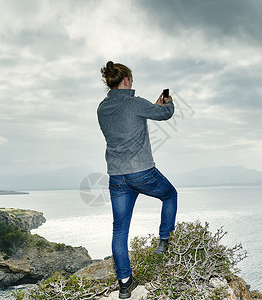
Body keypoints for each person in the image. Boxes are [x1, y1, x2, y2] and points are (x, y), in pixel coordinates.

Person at [97, 61, 178, 299]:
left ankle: (125, 284)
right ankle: (163, 241)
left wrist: (150, 106)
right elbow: (164, 114)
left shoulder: (102, 108)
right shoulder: (135, 103)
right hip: (142, 171)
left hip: (117, 176)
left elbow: (128, 121)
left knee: (119, 230)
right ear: (126, 80)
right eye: (131, 78)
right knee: (170, 195)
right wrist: (169, 102)